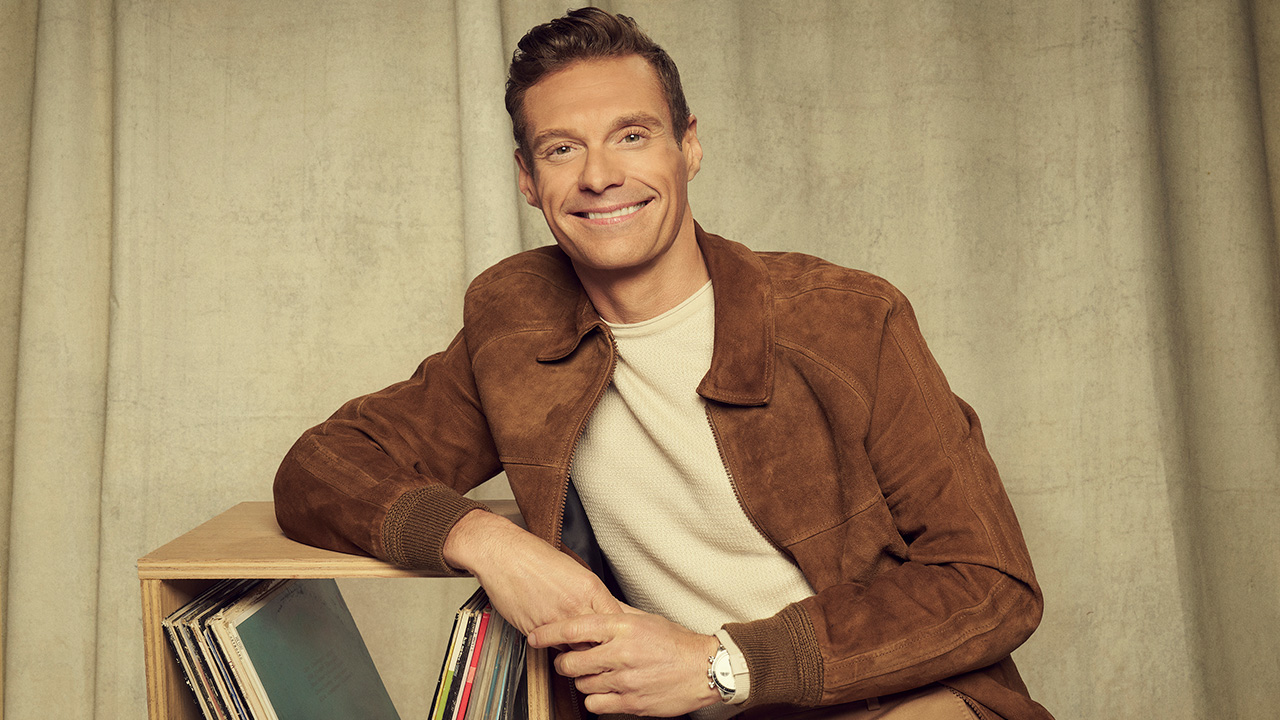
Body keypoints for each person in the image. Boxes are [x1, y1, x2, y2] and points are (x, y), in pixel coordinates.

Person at [274, 8, 1053, 720]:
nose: (599, 175)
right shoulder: (516, 325)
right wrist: (486, 540)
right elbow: (324, 467)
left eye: (632, 135)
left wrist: (725, 664)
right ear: (527, 179)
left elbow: (991, 582)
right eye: (562, 148)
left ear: (688, 145)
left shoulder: (847, 319)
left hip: (888, 698)